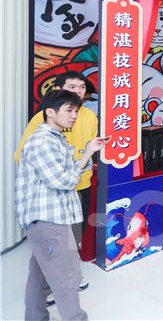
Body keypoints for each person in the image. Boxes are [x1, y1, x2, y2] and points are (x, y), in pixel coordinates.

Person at [16, 90, 108, 321]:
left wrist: (89, 151)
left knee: (40, 278)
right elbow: (63, 181)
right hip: (49, 222)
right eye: (69, 110)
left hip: (51, 221)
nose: (74, 115)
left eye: (76, 110)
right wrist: (77, 170)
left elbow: (67, 173)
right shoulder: (42, 141)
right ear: (50, 112)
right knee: (68, 277)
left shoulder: (56, 139)